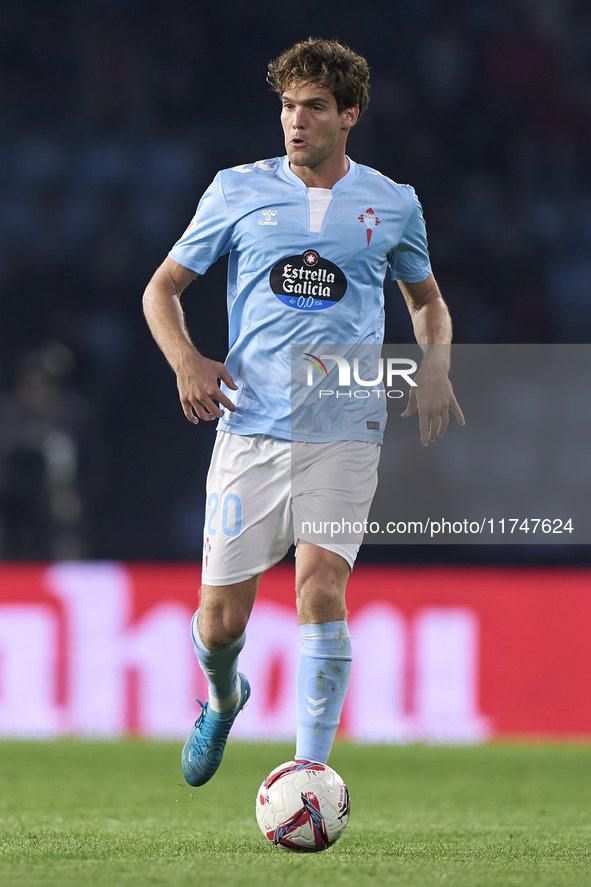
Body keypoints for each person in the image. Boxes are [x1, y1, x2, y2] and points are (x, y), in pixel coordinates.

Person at [142, 38, 464, 787]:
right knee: (221, 624)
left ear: (348, 114)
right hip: (249, 427)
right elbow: (162, 289)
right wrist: (187, 360)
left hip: (343, 423)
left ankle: (308, 770)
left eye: (313, 107)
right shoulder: (235, 191)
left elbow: (427, 301)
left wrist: (437, 367)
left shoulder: (392, 202)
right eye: (287, 106)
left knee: (319, 584)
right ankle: (223, 698)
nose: (295, 121)